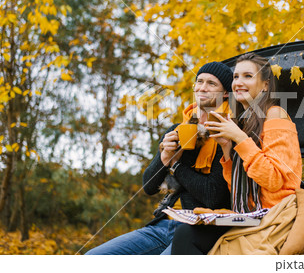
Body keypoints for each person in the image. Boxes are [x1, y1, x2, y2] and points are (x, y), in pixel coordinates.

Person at [85, 62, 233, 255]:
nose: (203, 87)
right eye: (199, 81)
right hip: (164, 225)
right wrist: (164, 158)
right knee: (93, 257)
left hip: (198, 230)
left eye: (212, 84)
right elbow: (148, 186)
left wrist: (176, 165)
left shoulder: (226, 133)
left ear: (225, 94)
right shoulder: (177, 131)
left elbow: (213, 197)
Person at [171, 53, 302, 255]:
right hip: (246, 214)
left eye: (248, 76)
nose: (238, 82)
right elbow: (237, 187)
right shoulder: (244, 121)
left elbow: (274, 180)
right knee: (187, 233)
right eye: (236, 77)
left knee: (186, 236)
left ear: (265, 85)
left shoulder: (275, 114)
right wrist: (226, 147)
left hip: (273, 215)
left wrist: (240, 140)